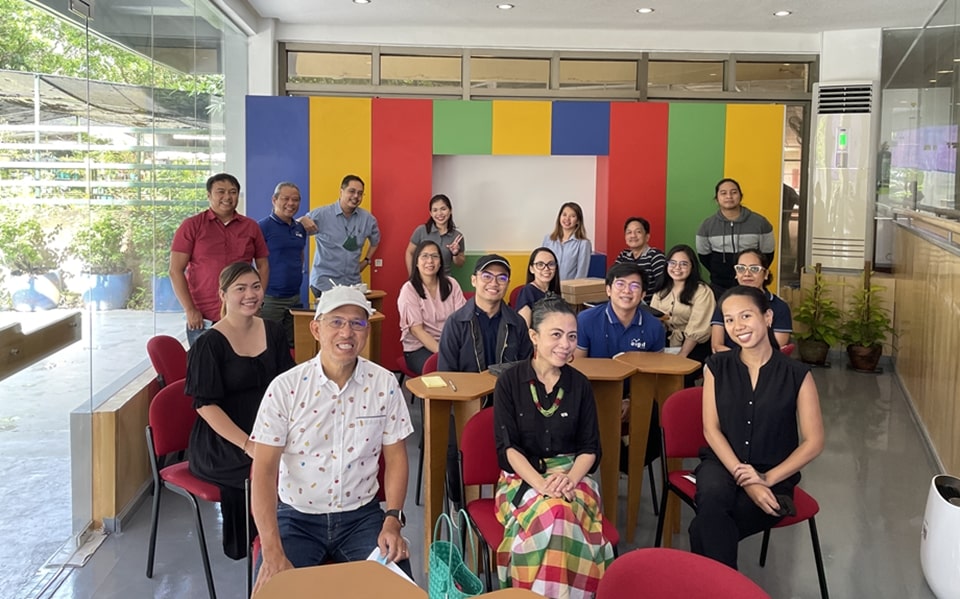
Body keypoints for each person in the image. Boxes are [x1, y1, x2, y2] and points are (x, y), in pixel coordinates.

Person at [249, 285, 414, 594]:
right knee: (274, 591)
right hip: (296, 518)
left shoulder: (384, 384)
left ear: (367, 330)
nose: (347, 332)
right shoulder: (285, 388)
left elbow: (396, 458)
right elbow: (264, 471)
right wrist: (271, 549)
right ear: (316, 328)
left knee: (398, 591)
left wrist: (393, 518)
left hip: (361, 518)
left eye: (357, 323)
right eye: (336, 321)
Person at [690, 285, 824, 570]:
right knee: (712, 496)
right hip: (722, 463)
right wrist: (750, 480)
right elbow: (710, 430)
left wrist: (767, 478)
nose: (737, 327)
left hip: (775, 472)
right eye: (729, 320)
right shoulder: (716, 366)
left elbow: (814, 442)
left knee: (704, 529)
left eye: (746, 316)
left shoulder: (797, 374)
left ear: (768, 317)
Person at [494, 295, 614, 598]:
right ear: (534, 336)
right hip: (522, 478)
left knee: (560, 513)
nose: (566, 344)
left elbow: (590, 448)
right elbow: (508, 449)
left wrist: (569, 479)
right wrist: (542, 485)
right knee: (557, 514)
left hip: (574, 476)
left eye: (572, 336)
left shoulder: (580, 384)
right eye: (556, 335)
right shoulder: (509, 382)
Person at [184, 262, 294, 560]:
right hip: (224, 438)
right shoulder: (208, 344)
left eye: (256, 287)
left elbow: (289, 386)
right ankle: (263, 547)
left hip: (269, 426)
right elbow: (205, 405)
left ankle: (297, 538)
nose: (250, 294)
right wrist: (248, 444)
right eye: (240, 288)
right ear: (223, 294)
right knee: (261, 468)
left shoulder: (273, 331)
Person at [170, 173, 269, 346]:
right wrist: (190, 309)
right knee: (205, 368)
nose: (227, 197)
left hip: (241, 313)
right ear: (209, 195)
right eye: (220, 192)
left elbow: (263, 266)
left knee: (241, 367)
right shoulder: (192, 225)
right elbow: (175, 270)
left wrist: (257, 302)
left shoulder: (251, 226)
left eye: (233, 192)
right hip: (203, 317)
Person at [438, 254, 533, 373]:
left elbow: (526, 369)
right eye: (487, 276)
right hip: (467, 390)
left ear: (508, 283)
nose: (494, 283)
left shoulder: (517, 323)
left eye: (502, 278)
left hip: (508, 390)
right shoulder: (456, 323)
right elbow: (446, 373)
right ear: (474, 280)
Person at [300, 175, 380, 297]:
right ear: (341, 191)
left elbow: (375, 241)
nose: (356, 196)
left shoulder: (368, 219)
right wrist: (301, 219)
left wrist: (367, 261)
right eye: (351, 191)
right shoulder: (321, 215)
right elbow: (294, 230)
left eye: (360, 193)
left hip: (352, 285)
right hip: (325, 284)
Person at [695, 178, 775, 296]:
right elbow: (704, 256)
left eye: (733, 192)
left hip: (752, 285)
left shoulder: (760, 223)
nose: (729, 196)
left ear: (741, 196)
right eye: (723, 193)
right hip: (719, 286)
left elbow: (767, 255)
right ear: (717, 198)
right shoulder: (706, 226)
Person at [650, 244, 716, 386]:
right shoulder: (661, 290)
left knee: (677, 377)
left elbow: (697, 328)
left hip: (694, 345)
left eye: (683, 264)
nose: (677, 268)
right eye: (672, 263)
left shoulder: (702, 291)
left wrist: (682, 355)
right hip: (667, 341)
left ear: (692, 267)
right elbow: (653, 320)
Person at [397, 240, 466, 374]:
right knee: (442, 371)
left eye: (435, 256)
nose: (430, 261)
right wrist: (446, 353)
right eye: (424, 256)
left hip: (450, 343)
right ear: (416, 262)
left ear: (440, 262)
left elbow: (462, 321)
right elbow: (417, 331)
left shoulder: (452, 284)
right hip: (419, 348)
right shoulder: (409, 289)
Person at [710, 248, 792, 353]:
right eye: (741, 268)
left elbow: (776, 349)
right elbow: (716, 346)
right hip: (727, 361)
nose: (747, 274)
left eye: (754, 269)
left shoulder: (780, 307)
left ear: (766, 273)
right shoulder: (725, 303)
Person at [258, 182, 307, 348]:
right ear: (274, 200)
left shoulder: (300, 228)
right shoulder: (262, 227)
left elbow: (300, 254)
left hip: (294, 297)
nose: (291, 203)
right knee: (268, 344)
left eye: (296, 200)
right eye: (285, 199)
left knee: (292, 345)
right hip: (271, 299)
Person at [404, 193, 465, 276]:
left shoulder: (457, 236)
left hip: (445, 281)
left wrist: (455, 253)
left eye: (443, 209)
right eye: (435, 210)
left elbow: (460, 264)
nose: (439, 213)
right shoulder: (421, 230)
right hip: (422, 280)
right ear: (431, 213)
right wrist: (412, 276)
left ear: (450, 210)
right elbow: (410, 252)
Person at [614, 216, 666, 302]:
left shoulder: (655, 255)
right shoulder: (623, 255)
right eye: (629, 232)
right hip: (624, 303)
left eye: (638, 232)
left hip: (647, 307)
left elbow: (663, 286)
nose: (633, 235)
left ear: (647, 237)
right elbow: (613, 280)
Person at [542, 202, 592, 281]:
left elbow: (581, 273)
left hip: (568, 289)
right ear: (559, 217)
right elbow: (542, 265)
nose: (567, 219)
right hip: (547, 286)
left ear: (578, 221)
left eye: (572, 216)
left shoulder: (584, 244)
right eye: (564, 215)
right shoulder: (548, 239)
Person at [514, 247, 562, 328]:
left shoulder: (553, 293)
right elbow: (524, 331)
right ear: (531, 269)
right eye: (540, 264)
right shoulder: (527, 292)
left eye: (551, 264)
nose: (546, 268)